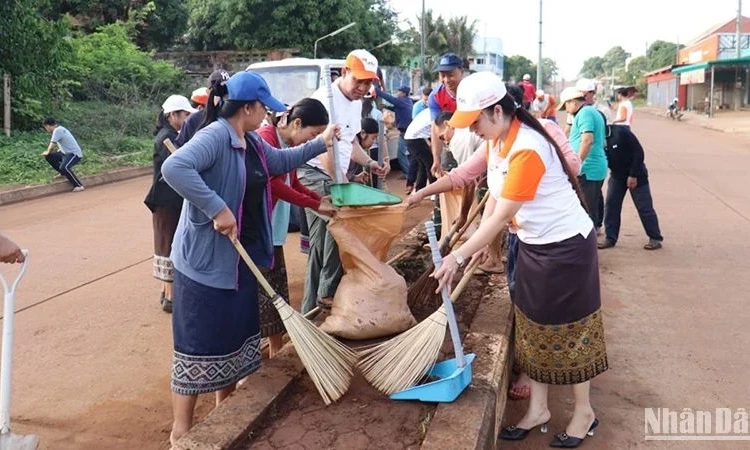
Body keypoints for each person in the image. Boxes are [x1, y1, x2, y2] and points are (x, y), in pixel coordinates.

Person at [160, 71, 339, 445]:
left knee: (231, 340)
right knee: (197, 344)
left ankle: (223, 413)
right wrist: (216, 208)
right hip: (204, 264)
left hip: (238, 261)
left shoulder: (252, 141)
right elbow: (174, 168)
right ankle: (182, 432)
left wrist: (320, 143)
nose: (268, 117)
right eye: (264, 109)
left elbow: (278, 162)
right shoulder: (214, 136)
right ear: (248, 107)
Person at [429, 72, 607, 447]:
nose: (472, 129)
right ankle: (538, 409)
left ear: (496, 110)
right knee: (532, 327)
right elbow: (494, 195)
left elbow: (497, 215)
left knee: (572, 331)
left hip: (566, 250)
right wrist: (477, 244)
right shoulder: (497, 141)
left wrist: (457, 256)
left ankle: (584, 411)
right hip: (532, 245)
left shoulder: (527, 146)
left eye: (475, 121)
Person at [298, 49, 388, 314]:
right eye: (358, 80)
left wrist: (370, 163)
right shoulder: (325, 100)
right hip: (313, 173)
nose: (363, 87)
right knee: (345, 222)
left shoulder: (356, 103)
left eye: (368, 82)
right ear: (344, 72)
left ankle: (308, 311)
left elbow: (349, 142)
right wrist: (340, 186)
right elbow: (325, 150)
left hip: (331, 175)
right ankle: (327, 295)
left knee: (320, 246)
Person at [256, 98, 337, 357]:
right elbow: (275, 184)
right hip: (259, 226)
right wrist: (311, 203)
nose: (309, 142)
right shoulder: (266, 138)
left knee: (276, 288)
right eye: (312, 135)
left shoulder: (286, 144)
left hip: (273, 226)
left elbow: (291, 182)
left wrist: (316, 201)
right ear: (296, 123)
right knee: (264, 290)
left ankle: (276, 348)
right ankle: (268, 348)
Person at [143, 95, 197, 313]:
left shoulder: (174, 135)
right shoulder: (166, 138)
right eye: (184, 115)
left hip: (173, 200)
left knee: (173, 242)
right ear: (172, 115)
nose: (186, 119)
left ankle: (168, 293)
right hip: (165, 201)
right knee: (166, 245)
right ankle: (170, 296)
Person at [598, 124, 663, 250]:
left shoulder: (620, 132)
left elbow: (639, 152)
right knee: (611, 205)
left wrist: (633, 175)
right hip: (617, 176)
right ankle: (610, 238)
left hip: (636, 174)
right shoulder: (594, 138)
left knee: (644, 207)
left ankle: (655, 237)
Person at [560, 87, 607, 231]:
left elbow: (587, 140)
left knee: (585, 208)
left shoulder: (585, 113)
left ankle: (588, 244)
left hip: (588, 168)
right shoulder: (591, 111)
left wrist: (577, 164)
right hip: (593, 166)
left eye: (566, 106)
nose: (567, 110)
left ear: (573, 102)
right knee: (590, 205)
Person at [428, 53, 466, 177]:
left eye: (451, 75)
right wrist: (436, 158)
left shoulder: (472, 92)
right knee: (445, 175)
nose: (446, 80)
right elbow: (436, 129)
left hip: (473, 138)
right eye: (442, 75)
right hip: (450, 141)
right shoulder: (435, 97)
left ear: (462, 71)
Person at [174, 69, 232, 148]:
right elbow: (179, 150)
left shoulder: (236, 117)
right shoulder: (193, 120)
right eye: (217, 90)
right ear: (208, 92)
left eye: (225, 90)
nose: (222, 94)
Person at [41, 118, 85, 192]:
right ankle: (63, 174)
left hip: (74, 154)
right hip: (65, 153)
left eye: (45, 128)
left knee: (64, 167)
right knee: (49, 157)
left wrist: (47, 151)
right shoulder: (60, 128)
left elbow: (52, 146)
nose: (46, 129)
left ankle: (78, 185)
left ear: (48, 126)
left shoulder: (57, 131)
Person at [403, 108, 435, 192]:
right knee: (430, 163)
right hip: (415, 139)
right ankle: (434, 191)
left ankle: (420, 189)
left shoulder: (429, 110)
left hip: (411, 137)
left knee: (422, 164)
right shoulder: (435, 113)